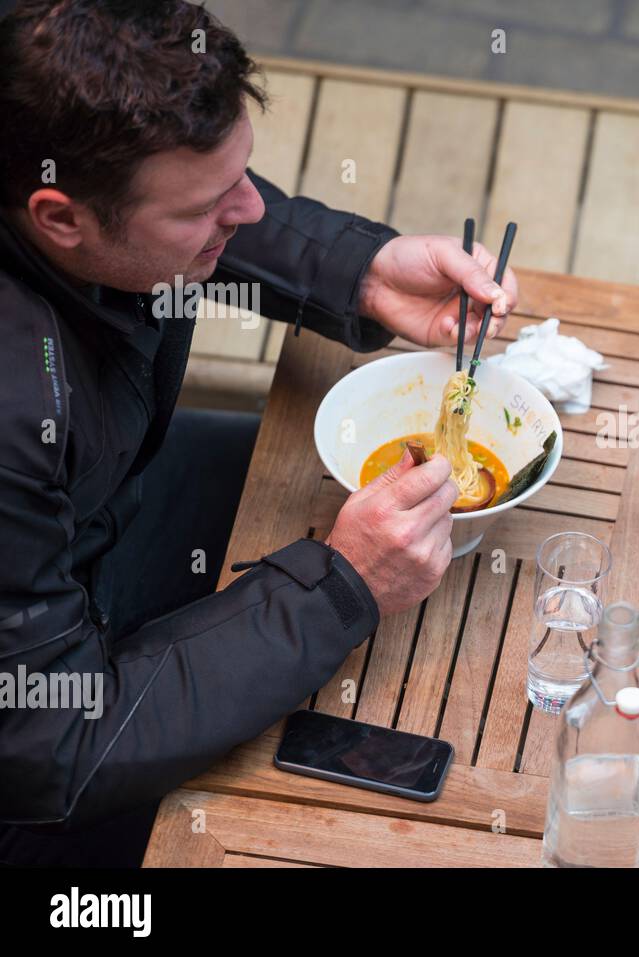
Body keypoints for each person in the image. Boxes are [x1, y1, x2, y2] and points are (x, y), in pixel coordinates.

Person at [0, 0, 518, 865]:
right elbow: (50, 748)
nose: (248, 207)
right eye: (208, 207)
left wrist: (358, 270)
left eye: (245, 172)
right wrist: (340, 586)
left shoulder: (36, 91)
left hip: (97, 509)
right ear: (58, 217)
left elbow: (170, 197)